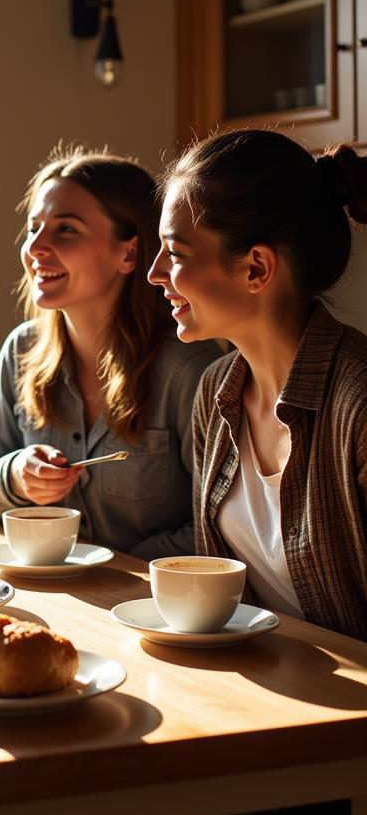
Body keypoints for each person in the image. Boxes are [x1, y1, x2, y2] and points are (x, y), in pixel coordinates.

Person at [148, 129, 367, 638]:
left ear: (256, 268)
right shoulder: (215, 391)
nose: (155, 273)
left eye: (175, 253)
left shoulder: (358, 404)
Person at [0, 148, 220, 559]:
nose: (36, 248)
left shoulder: (189, 369)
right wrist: (15, 477)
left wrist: (117, 569)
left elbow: (217, 526)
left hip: (151, 605)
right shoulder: (20, 351)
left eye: (66, 230)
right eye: (33, 228)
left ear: (129, 253)